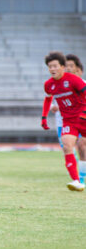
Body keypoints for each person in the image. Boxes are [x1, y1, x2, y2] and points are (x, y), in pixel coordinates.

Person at [41, 51, 85, 192]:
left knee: (83, 146)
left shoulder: (73, 80)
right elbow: (48, 99)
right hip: (68, 121)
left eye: (55, 66)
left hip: (83, 118)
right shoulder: (49, 85)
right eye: (50, 67)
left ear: (62, 67)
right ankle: (76, 181)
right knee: (67, 146)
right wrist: (44, 117)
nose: (52, 69)